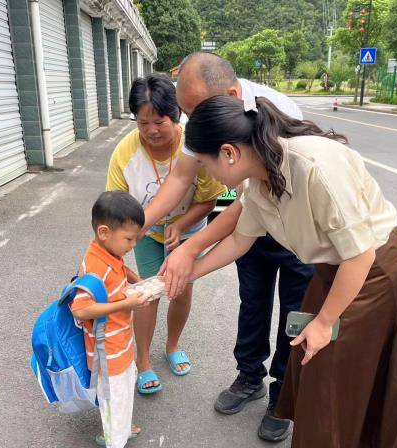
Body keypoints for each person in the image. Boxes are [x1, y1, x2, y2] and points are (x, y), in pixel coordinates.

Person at [183, 95, 397, 447]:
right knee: (316, 374)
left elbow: (360, 256)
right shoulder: (258, 182)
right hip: (331, 272)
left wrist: (325, 322)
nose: (207, 173)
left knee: (335, 378)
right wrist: (184, 275)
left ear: (229, 153)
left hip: (377, 275)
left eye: (205, 163)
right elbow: (239, 241)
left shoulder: (314, 166)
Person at [143, 53, 313, 441]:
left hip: (300, 233)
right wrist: (140, 226)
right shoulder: (204, 119)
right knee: (252, 301)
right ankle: (250, 375)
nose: (192, 124)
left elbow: (248, 200)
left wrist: (191, 249)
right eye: (186, 114)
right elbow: (183, 180)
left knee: (296, 313)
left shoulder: (279, 118)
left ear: (233, 94)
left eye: (195, 111)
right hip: (251, 220)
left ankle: (284, 394)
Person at [106, 74, 225, 394]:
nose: (151, 131)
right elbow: (116, 205)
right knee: (147, 294)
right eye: (142, 123)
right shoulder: (125, 153)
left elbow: (209, 200)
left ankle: (172, 346)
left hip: (188, 232)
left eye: (159, 121)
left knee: (180, 290)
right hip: (145, 233)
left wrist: (182, 224)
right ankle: (142, 360)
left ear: (176, 116)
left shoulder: (194, 147)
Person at [69, 191, 151, 448]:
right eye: (129, 239)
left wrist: (134, 279)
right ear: (104, 232)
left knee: (125, 391)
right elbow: (80, 310)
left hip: (121, 345)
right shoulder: (94, 266)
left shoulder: (110, 253)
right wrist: (127, 304)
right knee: (114, 398)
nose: (133, 245)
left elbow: (119, 268)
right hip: (107, 354)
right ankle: (115, 437)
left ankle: (122, 428)